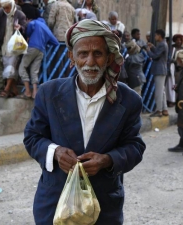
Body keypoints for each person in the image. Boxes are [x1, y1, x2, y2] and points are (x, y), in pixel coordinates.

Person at [24, 19, 146, 224]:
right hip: (55, 204)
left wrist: (107, 160)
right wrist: (55, 152)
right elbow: (32, 138)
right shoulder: (49, 93)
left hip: (103, 207)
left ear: (108, 58)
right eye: (83, 54)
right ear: (72, 57)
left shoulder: (128, 100)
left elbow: (135, 146)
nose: (90, 62)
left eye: (98, 54)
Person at [18, 17, 59, 99]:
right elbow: (55, 42)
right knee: (34, 71)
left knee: (22, 68)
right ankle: (35, 93)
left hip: (32, 47)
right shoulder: (46, 28)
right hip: (41, 51)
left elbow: (29, 28)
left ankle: (27, 91)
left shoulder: (35, 22)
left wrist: (28, 35)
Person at [0, 0, 27, 98]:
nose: (6, 10)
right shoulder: (2, 14)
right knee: (7, 68)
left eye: (7, 8)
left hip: (15, 46)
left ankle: (6, 89)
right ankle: (14, 90)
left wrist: (20, 27)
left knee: (11, 68)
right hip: (4, 45)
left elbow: (25, 27)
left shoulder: (20, 14)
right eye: (4, 8)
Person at [146, 29, 169, 117]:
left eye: (156, 35)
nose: (155, 37)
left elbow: (155, 56)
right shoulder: (162, 44)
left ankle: (158, 110)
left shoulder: (162, 44)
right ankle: (165, 109)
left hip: (159, 70)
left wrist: (148, 50)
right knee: (162, 90)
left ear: (160, 36)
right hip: (161, 70)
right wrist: (152, 47)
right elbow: (158, 52)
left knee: (158, 91)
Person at [167, 34, 183, 107]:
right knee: (173, 85)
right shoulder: (172, 48)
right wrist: (175, 61)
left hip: (182, 69)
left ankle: (180, 100)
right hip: (174, 69)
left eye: (180, 40)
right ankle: (172, 100)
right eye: (177, 40)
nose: (179, 41)